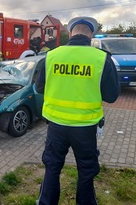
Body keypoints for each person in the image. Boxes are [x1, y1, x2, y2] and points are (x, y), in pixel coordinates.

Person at [35, 16, 120, 205]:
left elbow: (39, 88)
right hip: (85, 126)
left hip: (56, 125)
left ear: (71, 33)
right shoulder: (101, 59)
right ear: (91, 34)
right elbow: (111, 96)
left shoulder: (51, 56)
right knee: (86, 170)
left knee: (52, 167)